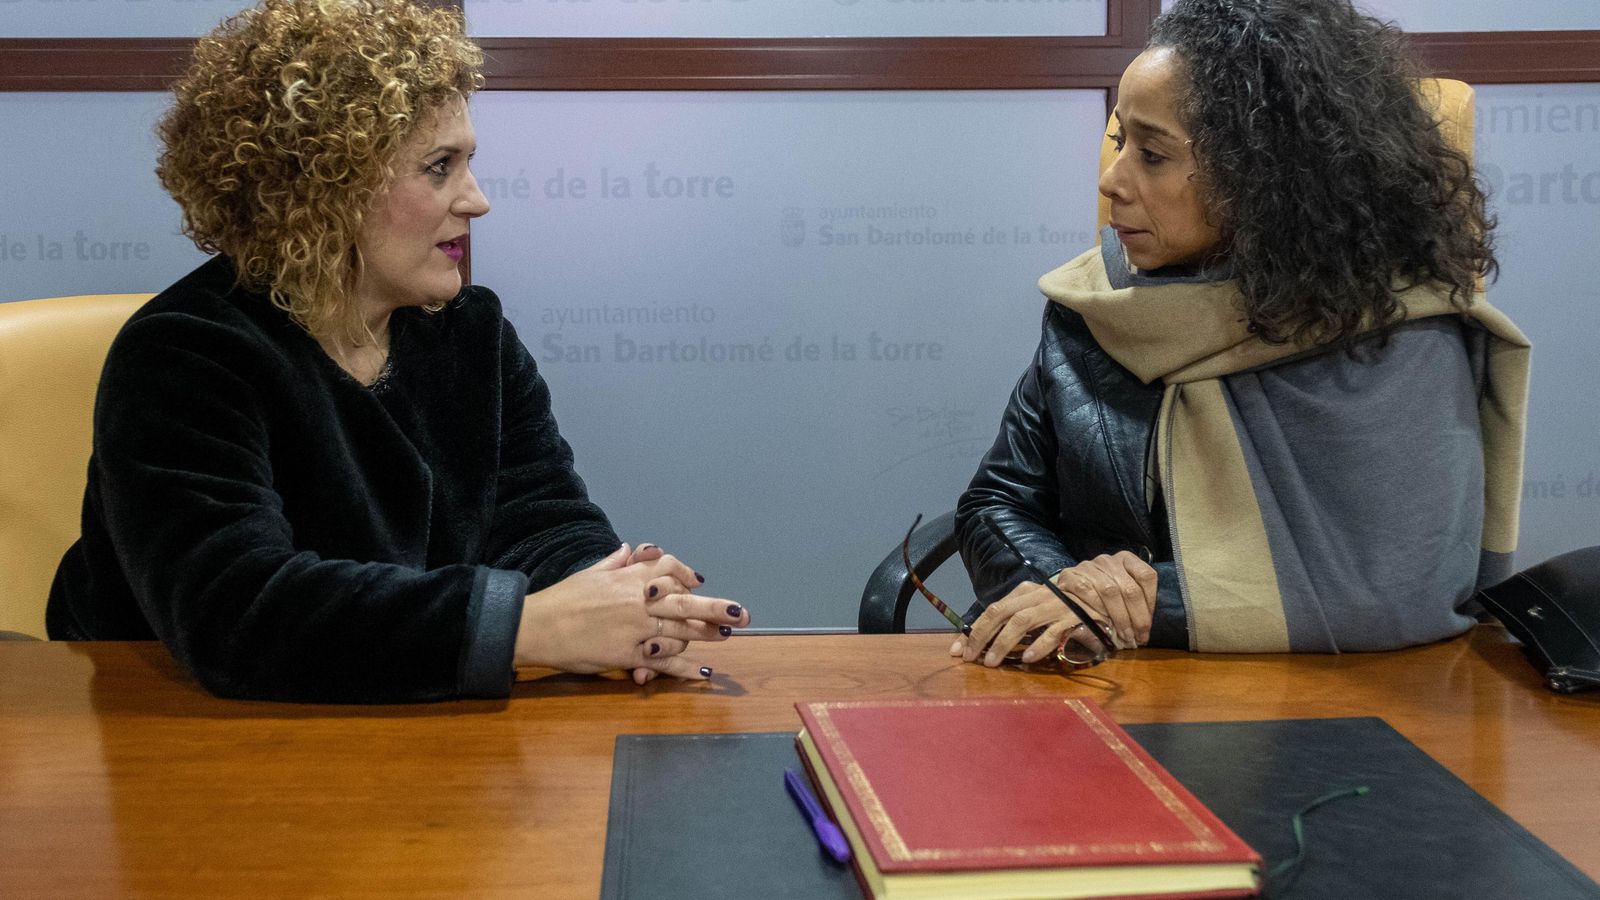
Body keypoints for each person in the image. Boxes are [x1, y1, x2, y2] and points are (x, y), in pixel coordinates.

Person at [46, 0, 749, 702]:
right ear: (322, 185)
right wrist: (525, 628)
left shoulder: (472, 332)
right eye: (439, 167)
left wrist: (625, 603)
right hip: (175, 730)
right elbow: (236, 613)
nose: (476, 201)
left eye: (468, 163)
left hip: (407, 715)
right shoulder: (183, 352)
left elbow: (538, 519)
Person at [952, 0, 1529, 667]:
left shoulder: (1395, 331)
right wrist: (1062, 591)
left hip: (1336, 697)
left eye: (1153, 154)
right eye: (1119, 141)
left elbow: (1393, 587)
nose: (1112, 181)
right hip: (1098, 673)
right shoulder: (1097, 306)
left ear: (1265, 175)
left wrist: (1139, 604)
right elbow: (998, 501)